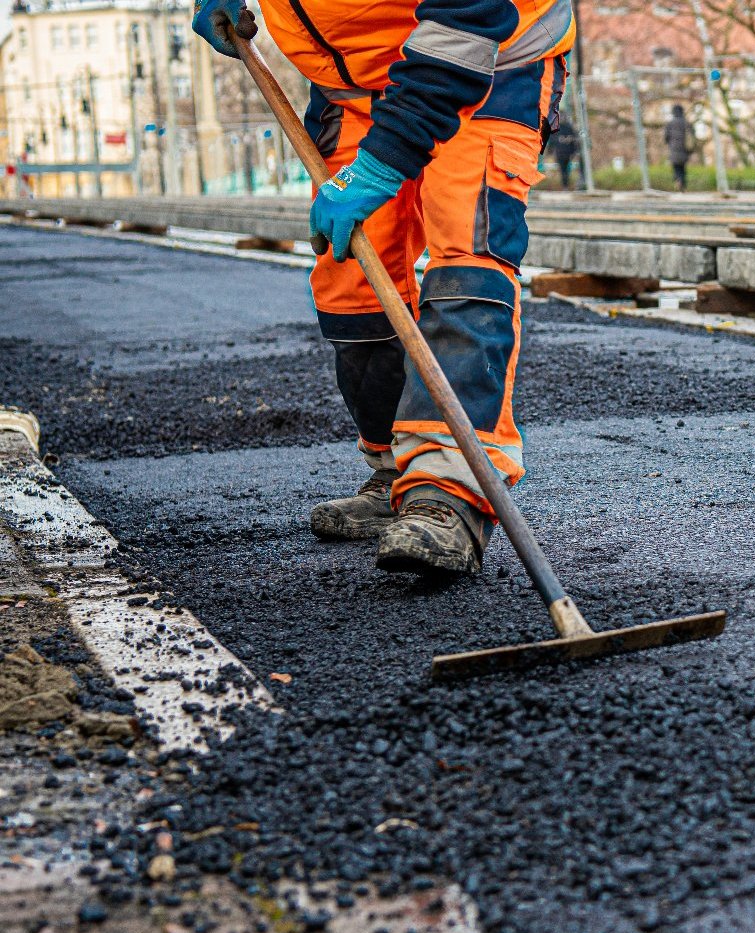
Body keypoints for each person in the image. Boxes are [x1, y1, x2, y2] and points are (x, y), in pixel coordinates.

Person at [192, 0, 573, 578]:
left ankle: (448, 494)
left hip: (487, 58)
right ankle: (395, 469)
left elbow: (470, 19)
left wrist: (383, 164)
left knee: (466, 259)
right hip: (354, 84)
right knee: (351, 286)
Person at [664, 105, 692, 192]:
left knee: (676, 167)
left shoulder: (670, 123)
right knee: (683, 168)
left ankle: (678, 180)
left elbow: (666, 137)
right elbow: (692, 135)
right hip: (684, 149)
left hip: (674, 149)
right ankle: (683, 185)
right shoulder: (686, 123)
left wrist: (669, 143)